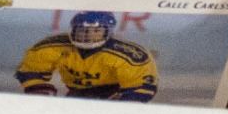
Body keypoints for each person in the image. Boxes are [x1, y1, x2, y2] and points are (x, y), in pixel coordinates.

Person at [16, 12, 160, 101]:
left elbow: (141, 86)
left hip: (113, 92)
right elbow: (31, 70)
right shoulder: (52, 46)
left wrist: (125, 105)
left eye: (96, 31)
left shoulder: (128, 54)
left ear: (108, 32)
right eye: (82, 30)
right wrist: (38, 89)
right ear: (73, 30)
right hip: (76, 92)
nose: (88, 35)